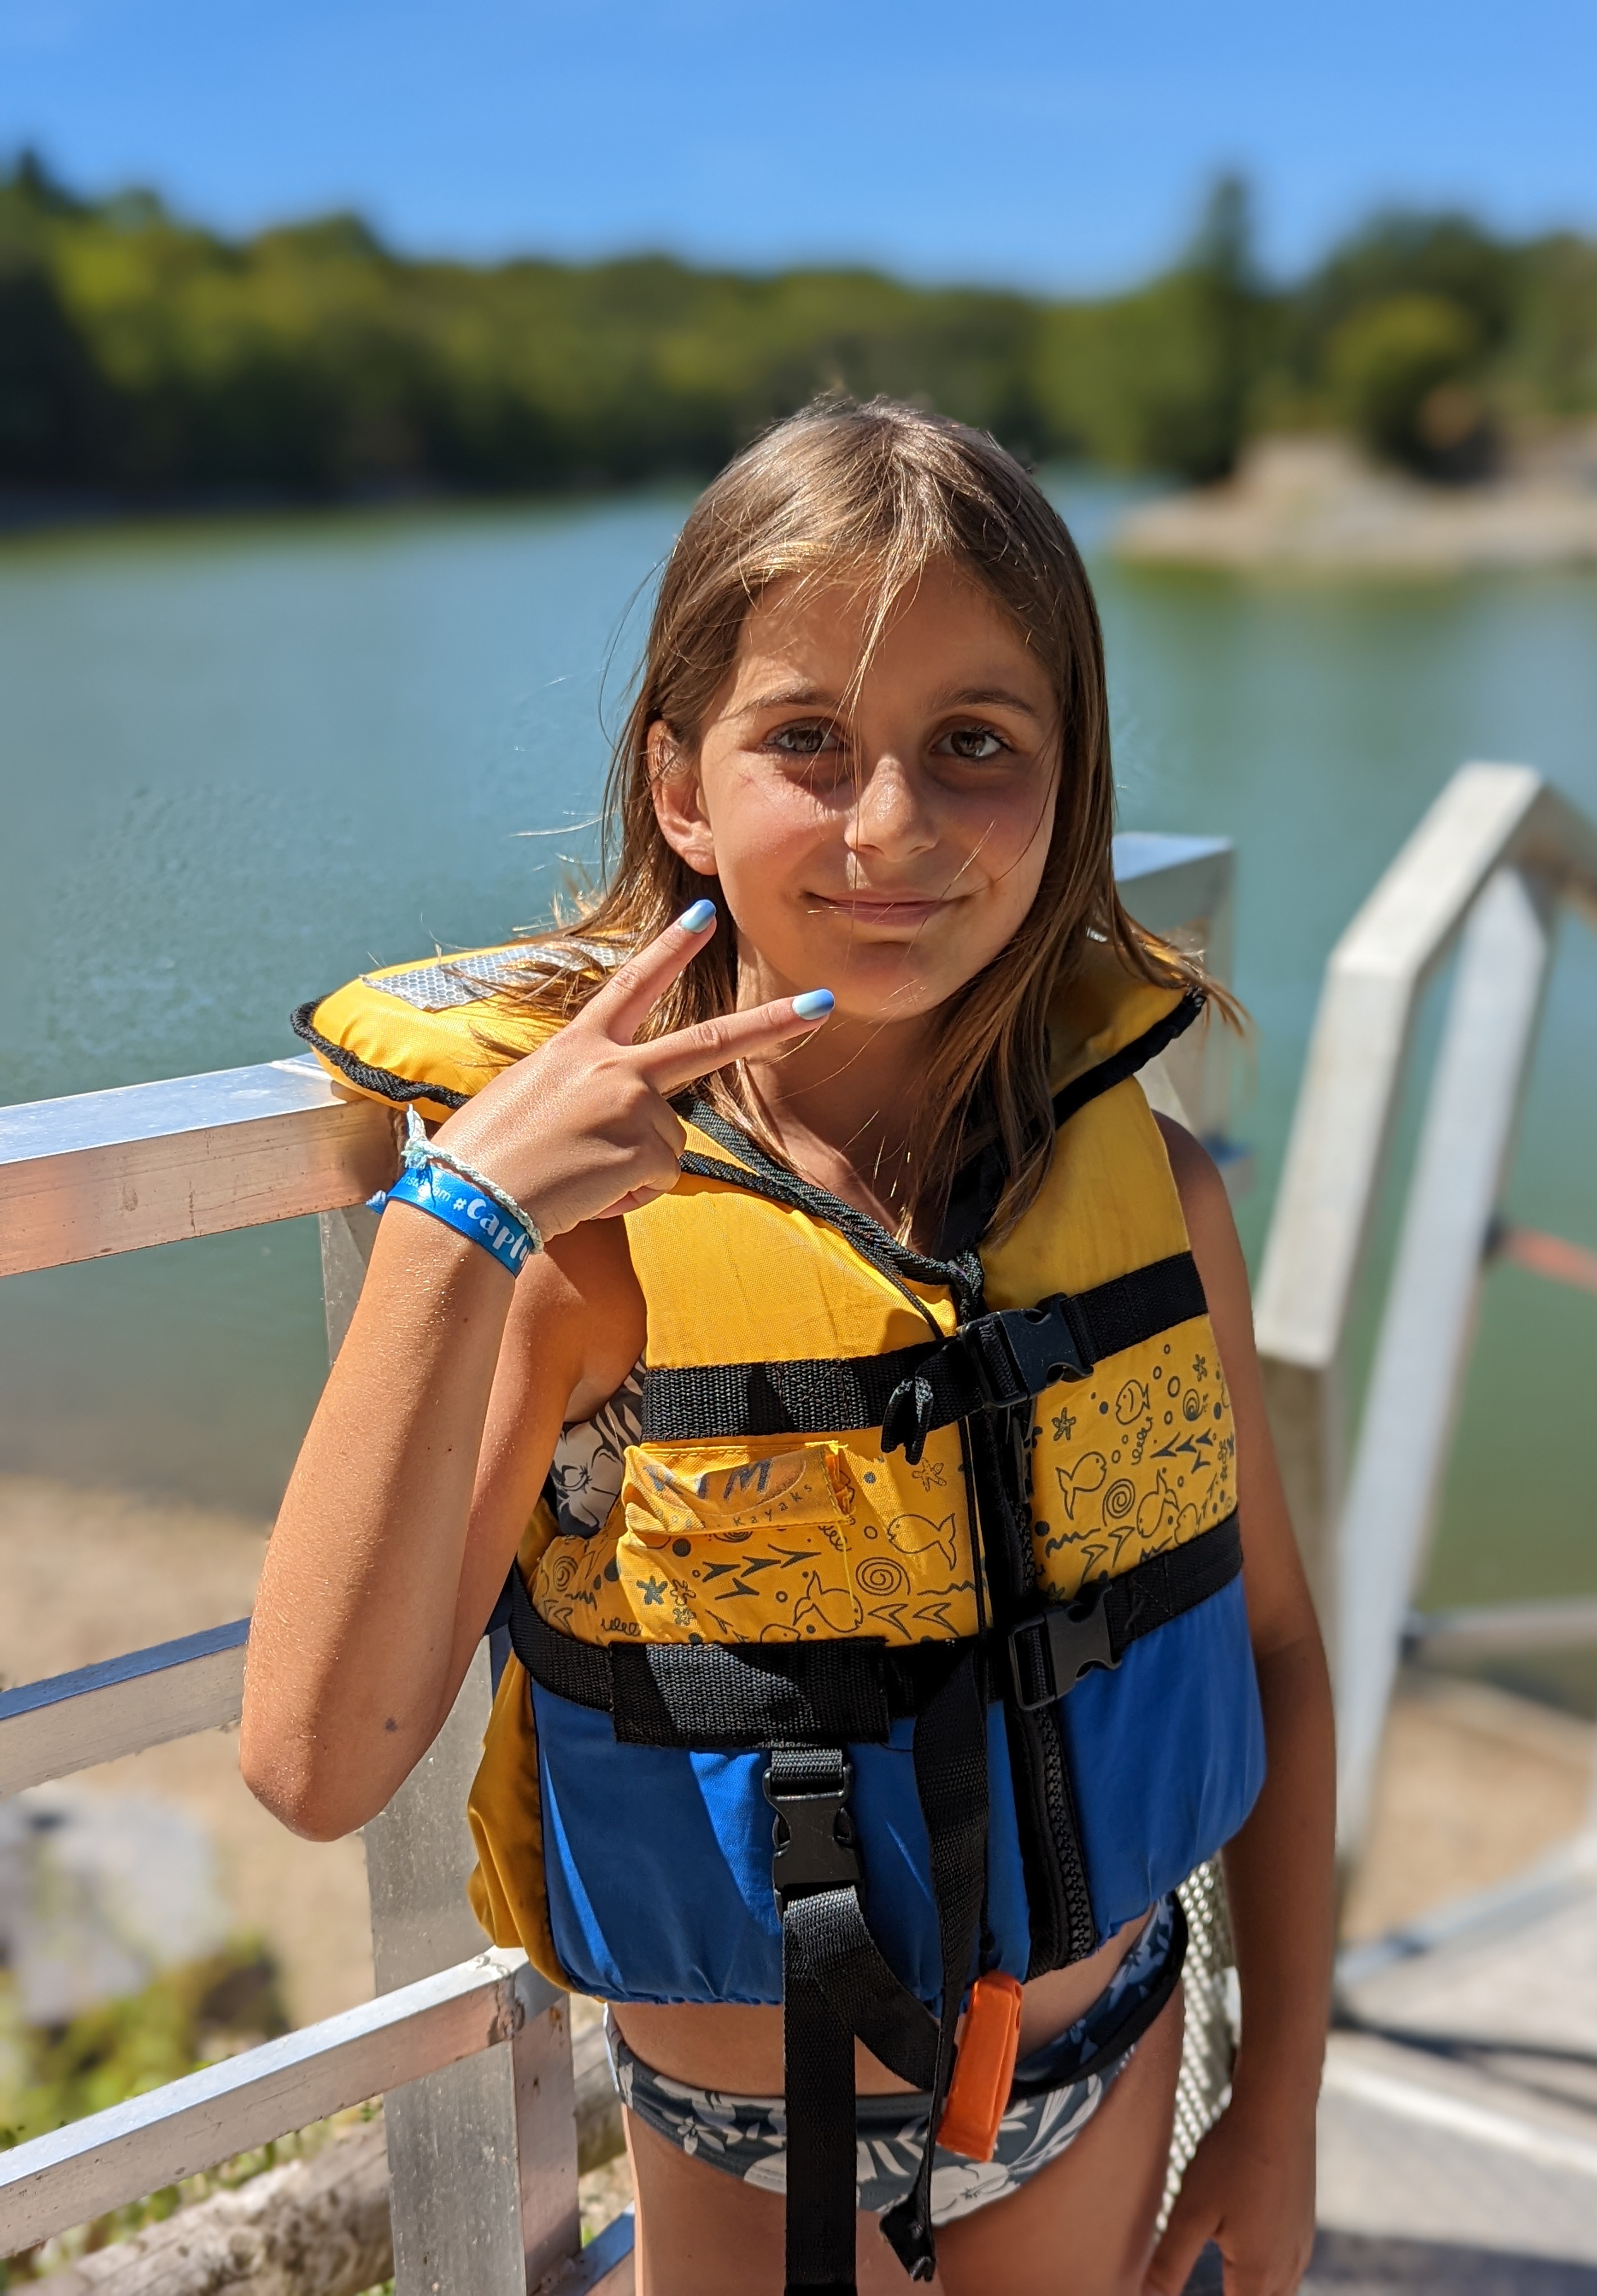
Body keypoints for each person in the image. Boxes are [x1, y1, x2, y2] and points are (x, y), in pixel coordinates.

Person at [240, 397, 1334, 2296]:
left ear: (1068, 787)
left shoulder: (1161, 1197)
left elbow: (1276, 1650)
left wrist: (1285, 2095)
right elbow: (316, 1764)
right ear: (681, 786)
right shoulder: (588, 1260)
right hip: (759, 2145)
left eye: (975, 745)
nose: (891, 828)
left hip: (1114, 2053)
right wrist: (452, 1225)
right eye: (808, 744)